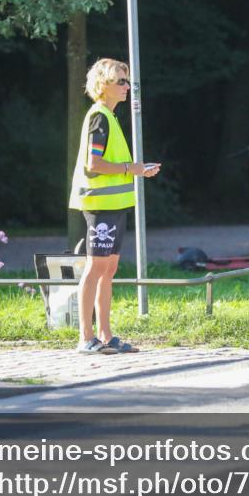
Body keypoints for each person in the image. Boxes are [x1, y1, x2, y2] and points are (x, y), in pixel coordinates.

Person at [69, 58, 161, 354]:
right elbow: (93, 164)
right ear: (104, 85)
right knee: (96, 268)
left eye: (127, 81)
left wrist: (137, 169)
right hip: (100, 206)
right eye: (121, 81)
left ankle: (106, 335)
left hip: (115, 206)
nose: (127, 87)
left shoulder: (109, 117)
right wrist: (131, 168)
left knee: (108, 270)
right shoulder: (99, 117)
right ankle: (86, 338)